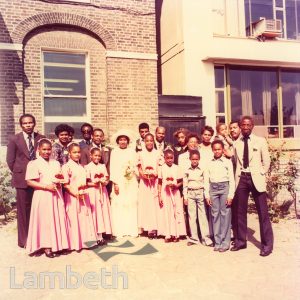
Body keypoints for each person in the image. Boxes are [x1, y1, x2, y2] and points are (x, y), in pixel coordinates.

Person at [231, 116, 274, 256]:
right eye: (243, 125)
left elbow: (266, 161)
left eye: (248, 125)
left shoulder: (260, 141)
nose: (245, 127)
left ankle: (267, 245)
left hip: (256, 179)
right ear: (240, 126)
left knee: (263, 213)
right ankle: (240, 241)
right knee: (239, 212)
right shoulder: (236, 142)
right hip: (241, 179)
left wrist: (261, 173)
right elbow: (233, 160)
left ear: (252, 126)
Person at [25, 139, 69, 257]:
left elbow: (59, 177)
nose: (46, 152)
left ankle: (58, 244)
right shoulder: (33, 163)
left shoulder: (55, 163)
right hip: (42, 195)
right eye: (44, 149)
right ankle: (47, 246)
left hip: (56, 195)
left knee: (56, 218)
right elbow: (29, 181)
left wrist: (59, 183)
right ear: (38, 150)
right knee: (45, 220)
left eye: (49, 149)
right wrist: (46, 187)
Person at [6, 114, 44, 248]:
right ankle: (24, 241)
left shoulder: (41, 138)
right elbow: (10, 161)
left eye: (30, 123)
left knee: (39, 209)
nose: (28, 125)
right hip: (22, 179)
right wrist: (21, 172)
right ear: (21, 125)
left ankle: (38, 239)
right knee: (23, 211)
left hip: (39, 179)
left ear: (34, 123)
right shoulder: (14, 139)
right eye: (25, 123)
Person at [62, 143, 97, 251]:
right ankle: (75, 244)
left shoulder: (82, 166)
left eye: (79, 152)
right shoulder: (66, 167)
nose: (77, 155)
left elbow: (85, 182)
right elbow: (65, 184)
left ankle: (87, 242)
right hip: (73, 196)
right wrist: (75, 193)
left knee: (84, 218)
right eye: (74, 152)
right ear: (69, 153)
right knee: (74, 218)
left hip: (83, 195)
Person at [204, 140, 235, 252]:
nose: (217, 151)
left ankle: (225, 242)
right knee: (215, 215)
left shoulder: (227, 162)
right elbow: (206, 180)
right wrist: (207, 195)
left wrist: (230, 195)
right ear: (212, 150)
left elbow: (231, 179)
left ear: (223, 150)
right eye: (215, 149)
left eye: (219, 149)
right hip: (213, 189)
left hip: (224, 188)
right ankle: (217, 242)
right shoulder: (209, 163)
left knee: (225, 214)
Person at [110, 129, 139, 237]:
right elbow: (112, 167)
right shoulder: (114, 152)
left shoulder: (132, 151)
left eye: (125, 140)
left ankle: (131, 230)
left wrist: (133, 172)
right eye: (121, 140)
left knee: (130, 204)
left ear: (128, 141)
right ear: (118, 141)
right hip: (119, 181)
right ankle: (120, 230)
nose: (123, 142)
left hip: (131, 181)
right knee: (120, 204)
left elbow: (135, 165)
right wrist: (115, 183)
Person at [183, 150, 212, 247]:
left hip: (200, 193)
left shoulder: (203, 169)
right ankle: (194, 238)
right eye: (193, 159)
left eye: (196, 159)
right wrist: (185, 197)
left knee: (202, 216)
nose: (194, 161)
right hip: (190, 193)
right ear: (190, 159)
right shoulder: (187, 170)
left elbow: (206, 183)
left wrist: (206, 195)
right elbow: (185, 185)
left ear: (199, 159)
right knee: (192, 216)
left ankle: (206, 238)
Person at [158, 149, 186, 242]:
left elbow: (181, 181)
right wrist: (159, 195)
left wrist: (175, 186)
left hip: (175, 192)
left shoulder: (177, 167)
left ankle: (176, 234)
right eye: (167, 158)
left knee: (175, 212)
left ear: (174, 158)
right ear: (164, 158)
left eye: (171, 158)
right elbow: (160, 182)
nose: (170, 160)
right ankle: (168, 234)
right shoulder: (161, 168)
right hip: (165, 193)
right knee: (166, 212)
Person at [85, 147, 112, 245]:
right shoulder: (87, 167)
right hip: (93, 192)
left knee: (102, 211)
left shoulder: (102, 166)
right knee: (95, 212)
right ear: (91, 156)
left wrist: (103, 182)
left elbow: (106, 179)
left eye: (99, 156)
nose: (97, 157)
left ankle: (102, 234)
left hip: (102, 192)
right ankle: (95, 235)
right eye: (95, 155)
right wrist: (96, 183)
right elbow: (87, 183)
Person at [137, 133, 160, 239]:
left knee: (154, 204)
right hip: (145, 182)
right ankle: (146, 227)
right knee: (146, 204)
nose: (149, 142)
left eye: (151, 140)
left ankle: (154, 228)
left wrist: (156, 174)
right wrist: (144, 176)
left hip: (155, 182)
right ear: (144, 142)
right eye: (147, 141)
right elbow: (139, 168)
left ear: (153, 141)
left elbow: (160, 166)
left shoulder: (158, 153)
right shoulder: (140, 153)